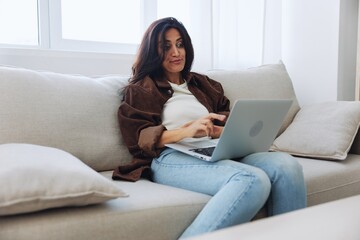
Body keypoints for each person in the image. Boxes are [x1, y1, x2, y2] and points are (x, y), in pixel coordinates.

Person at [113, 17, 306, 239]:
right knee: (252, 179)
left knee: (287, 166)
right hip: (171, 157)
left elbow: (228, 121)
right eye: (166, 46)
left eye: (180, 44)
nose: (176, 52)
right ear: (153, 52)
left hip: (215, 148)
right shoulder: (141, 89)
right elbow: (139, 139)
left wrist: (218, 131)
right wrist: (186, 131)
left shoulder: (203, 84)